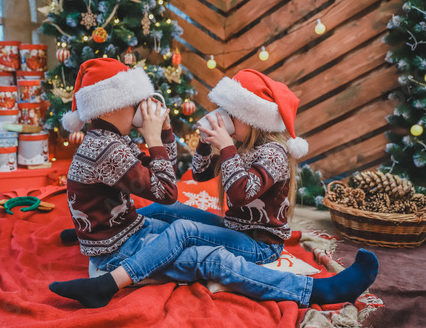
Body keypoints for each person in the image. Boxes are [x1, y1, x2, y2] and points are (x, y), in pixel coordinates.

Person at [50, 66, 379, 309]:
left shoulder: (274, 154)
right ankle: (95, 233)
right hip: (234, 228)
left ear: (249, 119)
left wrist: (222, 147)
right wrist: (205, 146)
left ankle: (318, 291)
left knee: (186, 230)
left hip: (259, 243)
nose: (219, 117)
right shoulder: (111, 145)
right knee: (172, 210)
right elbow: (198, 175)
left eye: (226, 113)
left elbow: (238, 194)